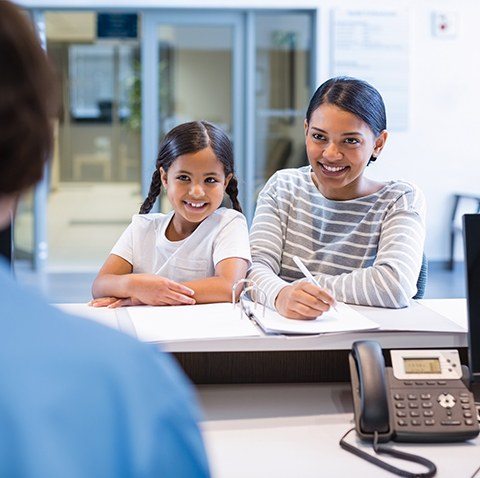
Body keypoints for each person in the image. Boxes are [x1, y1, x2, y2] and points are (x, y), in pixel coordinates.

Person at [0, 1, 209, 476]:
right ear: (31, 154)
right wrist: (137, 286)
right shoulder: (124, 387)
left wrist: (136, 287)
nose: (197, 191)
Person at [248, 76, 426, 320]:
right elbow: (253, 268)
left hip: (358, 343)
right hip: (283, 341)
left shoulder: (400, 199)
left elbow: (394, 286)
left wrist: (299, 289)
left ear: (378, 144)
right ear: (306, 130)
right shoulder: (283, 187)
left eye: (351, 141)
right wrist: (281, 295)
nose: (331, 154)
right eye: (319, 137)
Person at [91, 121, 251, 308]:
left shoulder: (229, 224)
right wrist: (137, 286)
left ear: (225, 182)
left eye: (210, 180)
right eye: (184, 178)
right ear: (165, 178)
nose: (197, 192)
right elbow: (100, 285)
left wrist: (149, 296)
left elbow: (228, 287)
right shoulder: (142, 228)